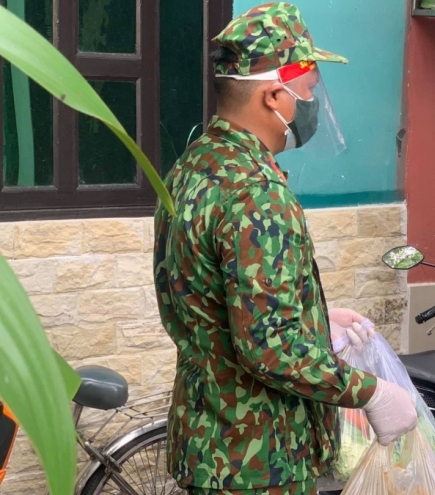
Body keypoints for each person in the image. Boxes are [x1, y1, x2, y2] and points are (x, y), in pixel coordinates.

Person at [153, 4, 418, 494]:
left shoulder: (195, 165)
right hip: (260, 461)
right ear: (274, 95)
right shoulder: (257, 192)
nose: (311, 104)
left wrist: (314, 318)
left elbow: (209, 302)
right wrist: (372, 393)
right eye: (308, 90)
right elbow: (268, 348)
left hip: (210, 442)